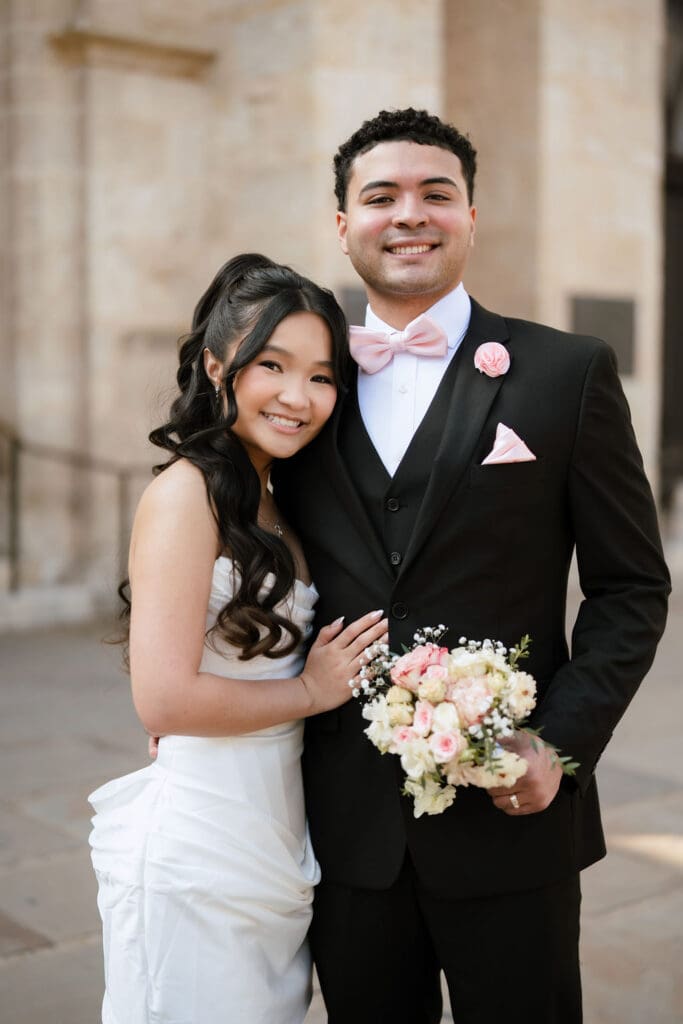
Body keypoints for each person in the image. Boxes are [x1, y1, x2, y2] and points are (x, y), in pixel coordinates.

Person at [273, 109, 671, 1023]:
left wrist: (558, 748)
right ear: (343, 225)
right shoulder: (300, 382)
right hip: (340, 826)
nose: (408, 214)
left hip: (511, 821)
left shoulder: (565, 372)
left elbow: (631, 587)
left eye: (434, 194)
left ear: (469, 216)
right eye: (380, 196)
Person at [88, 253, 388, 1024]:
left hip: (271, 829)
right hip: (202, 844)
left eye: (321, 376)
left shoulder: (272, 496)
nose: (299, 396)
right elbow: (161, 696)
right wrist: (311, 690)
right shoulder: (185, 495)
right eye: (273, 366)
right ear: (218, 365)